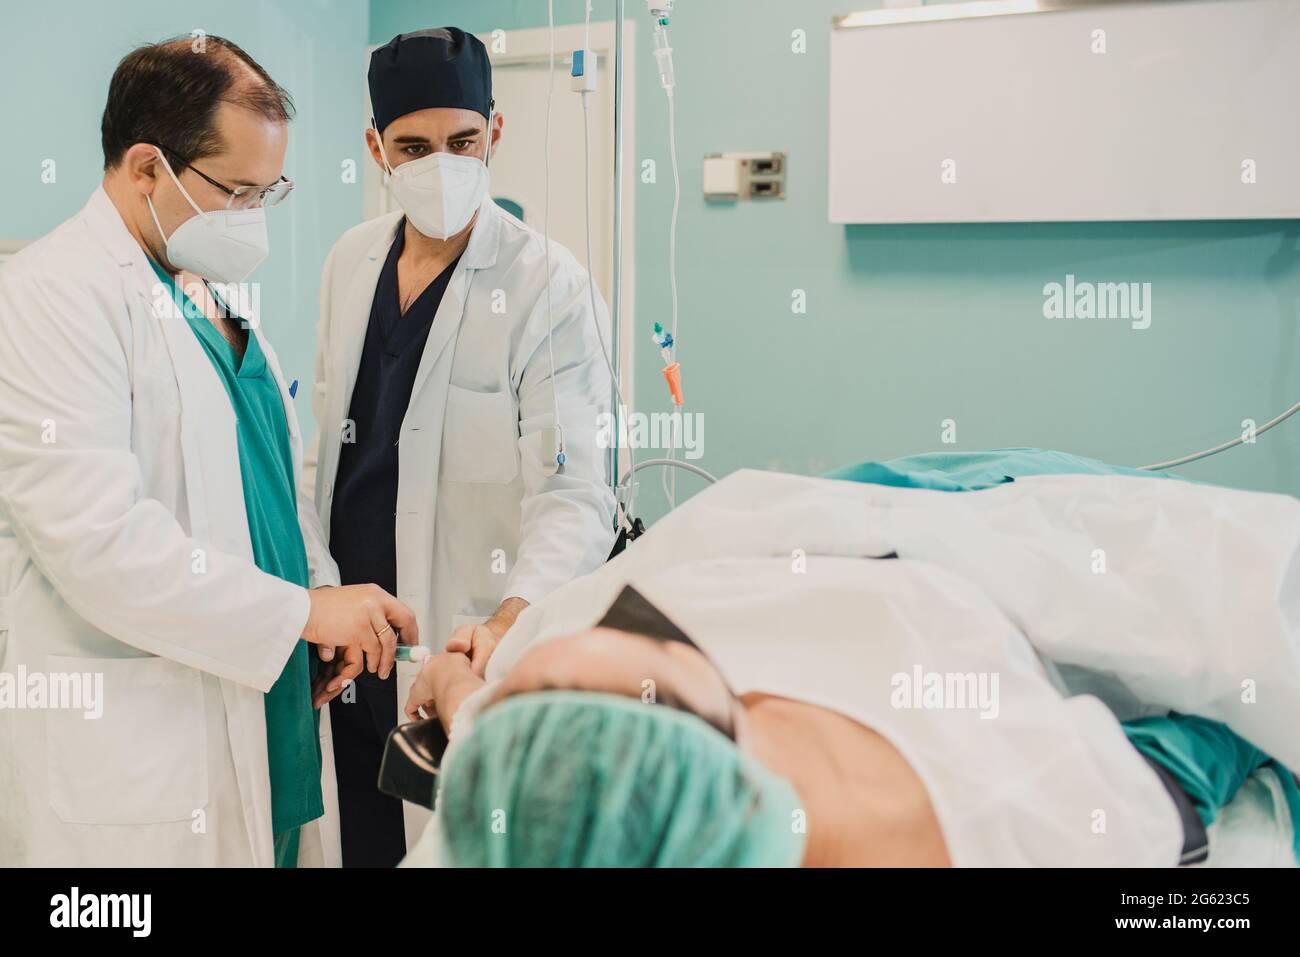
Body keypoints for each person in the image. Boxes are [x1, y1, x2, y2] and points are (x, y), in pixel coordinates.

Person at [0, 35, 416, 867]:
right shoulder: (50, 295)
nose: (254, 217)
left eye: (270, 192)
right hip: (145, 751)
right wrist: (295, 613)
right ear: (147, 167)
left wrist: (319, 604)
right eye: (238, 191)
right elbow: (99, 543)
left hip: (266, 707)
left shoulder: (202, 290)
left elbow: (270, 488)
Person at [305, 27, 616, 866]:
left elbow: (575, 490)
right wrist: (314, 586)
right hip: (345, 640)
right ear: (376, 147)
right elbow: (319, 452)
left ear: (495, 134)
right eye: (413, 146)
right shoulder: (348, 263)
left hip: (460, 641)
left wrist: (513, 615)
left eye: (462, 142)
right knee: (357, 841)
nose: (440, 162)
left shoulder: (549, 288)